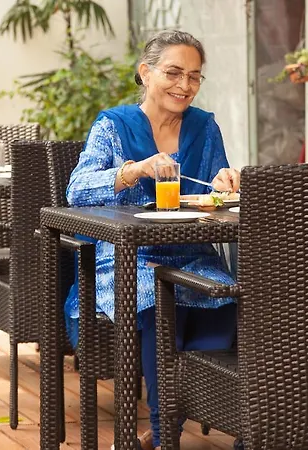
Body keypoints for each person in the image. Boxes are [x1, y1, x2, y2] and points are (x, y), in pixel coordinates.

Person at [65, 30, 240, 450]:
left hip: (192, 255)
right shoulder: (113, 125)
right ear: (146, 73)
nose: (184, 85)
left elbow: (216, 196)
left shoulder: (204, 126)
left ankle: (205, 425)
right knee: (156, 302)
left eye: (194, 76)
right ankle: (163, 438)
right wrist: (133, 170)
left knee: (228, 309)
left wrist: (226, 183)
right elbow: (76, 190)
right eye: (173, 73)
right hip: (127, 257)